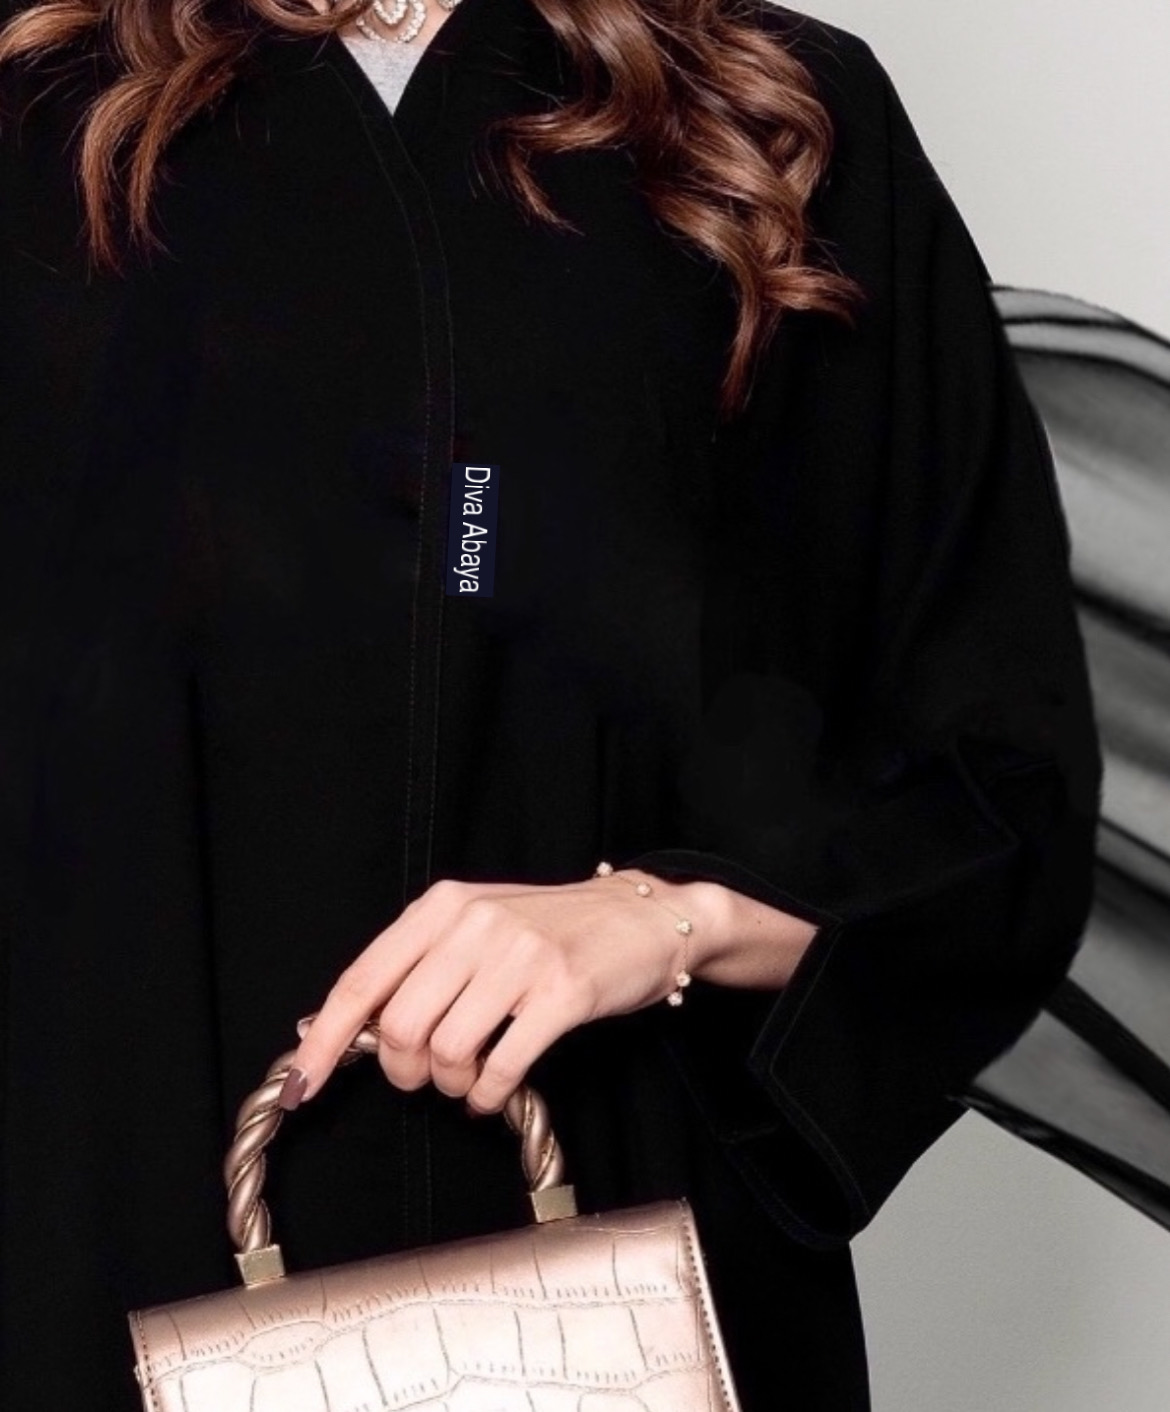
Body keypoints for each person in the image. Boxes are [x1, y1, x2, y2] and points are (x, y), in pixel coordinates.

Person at [0, 0, 1104, 1406]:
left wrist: (669, 916)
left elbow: (991, 779)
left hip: (620, 1247)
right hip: (87, 1233)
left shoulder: (768, 109)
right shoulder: (35, 100)